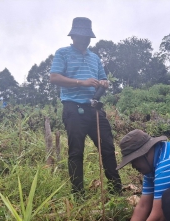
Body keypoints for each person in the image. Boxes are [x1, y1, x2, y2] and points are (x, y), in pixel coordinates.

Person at [50, 17, 122, 196]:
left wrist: (104, 83)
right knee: (76, 151)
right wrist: (81, 83)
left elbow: (102, 78)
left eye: (87, 37)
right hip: (73, 109)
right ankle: (78, 195)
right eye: (81, 36)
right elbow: (54, 78)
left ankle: (116, 190)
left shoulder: (94, 58)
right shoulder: (63, 53)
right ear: (73, 36)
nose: (84, 40)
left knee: (107, 147)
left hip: (94, 108)